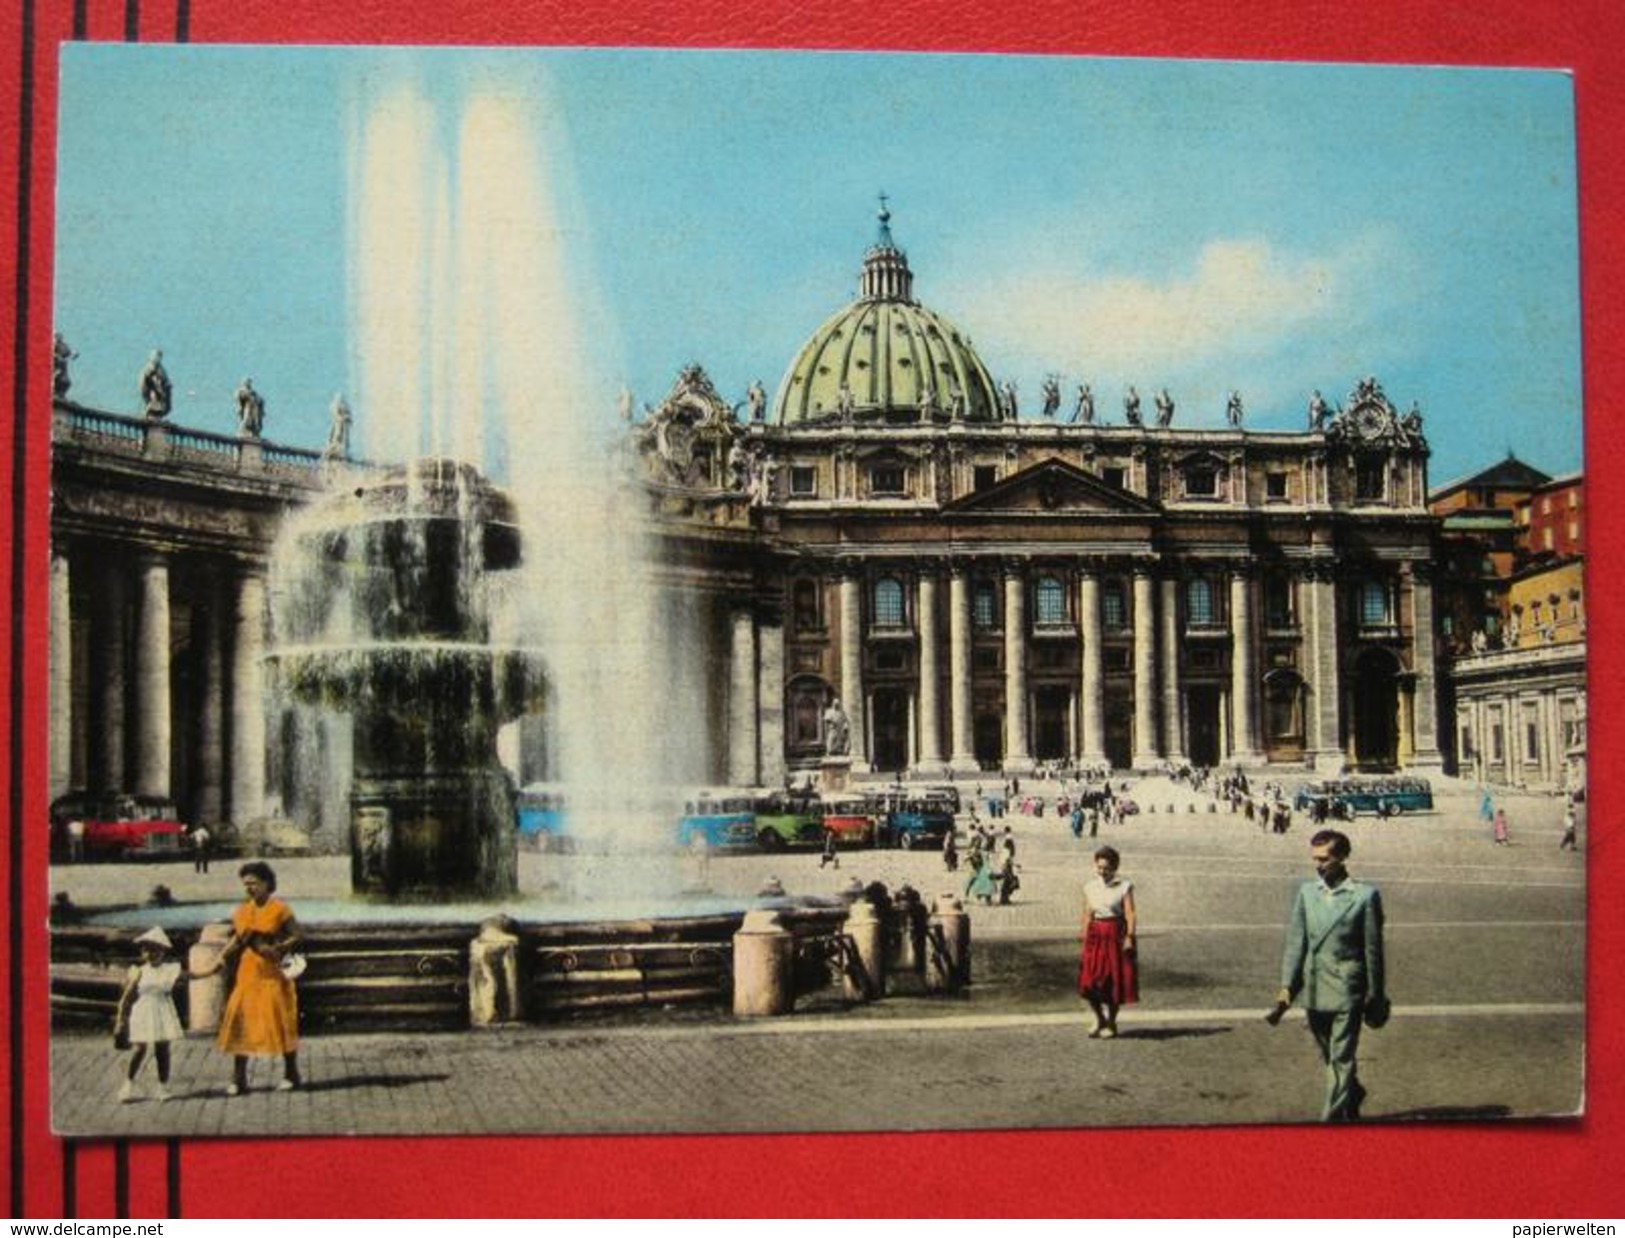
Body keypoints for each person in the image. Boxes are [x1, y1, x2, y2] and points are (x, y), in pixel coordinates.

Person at [1270, 829, 1388, 1121]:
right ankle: (1353, 1092)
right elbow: (1296, 943)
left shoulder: (1365, 896)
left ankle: (1329, 1123)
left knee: (1341, 1058)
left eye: (1325, 859)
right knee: (1329, 1056)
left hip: (1347, 988)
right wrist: (1287, 986)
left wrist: (1376, 994)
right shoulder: (1307, 893)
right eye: (1315, 859)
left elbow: (1373, 951)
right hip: (1314, 989)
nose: (1318, 865)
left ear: (1343, 856)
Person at [194, 861, 303, 1095]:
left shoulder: (280, 909)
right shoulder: (242, 911)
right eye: (245, 884)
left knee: (280, 1021)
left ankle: (291, 1073)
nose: (249, 888)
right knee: (240, 1021)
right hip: (249, 973)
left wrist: (281, 947)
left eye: (253, 883)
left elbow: (297, 935)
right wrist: (221, 959)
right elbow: (237, 939)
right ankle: (238, 1078)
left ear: (267, 883)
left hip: (274, 973)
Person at [114, 926, 186, 1102]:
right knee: (139, 1049)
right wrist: (120, 1020)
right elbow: (126, 998)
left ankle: (162, 1087)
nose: (152, 953)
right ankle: (128, 1084)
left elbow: (193, 975)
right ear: (142, 953)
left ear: (163, 951)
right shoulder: (139, 971)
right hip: (143, 1011)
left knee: (162, 1050)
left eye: (156, 949)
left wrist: (216, 966)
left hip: (162, 1011)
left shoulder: (170, 970)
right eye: (147, 949)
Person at [1078, 846, 1137, 1038]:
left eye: (1106, 868)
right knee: (1089, 981)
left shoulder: (1124, 886)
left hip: (1115, 935)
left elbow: (1129, 913)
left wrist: (1129, 937)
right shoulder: (1090, 886)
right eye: (1099, 867)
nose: (1102, 872)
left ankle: (1111, 1022)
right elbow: (1087, 913)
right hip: (1095, 935)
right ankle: (1099, 1018)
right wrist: (1084, 937)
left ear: (1114, 867)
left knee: (1113, 981)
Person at [138, 349, 172, 418]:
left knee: (159, 406)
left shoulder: (161, 369)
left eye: (159, 357)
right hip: (153, 394)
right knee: (154, 405)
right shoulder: (149, 368)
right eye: (156, 356)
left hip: (159, 395)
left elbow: (165, 382)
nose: (158, 359)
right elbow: (144, 382)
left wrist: (165, 386)